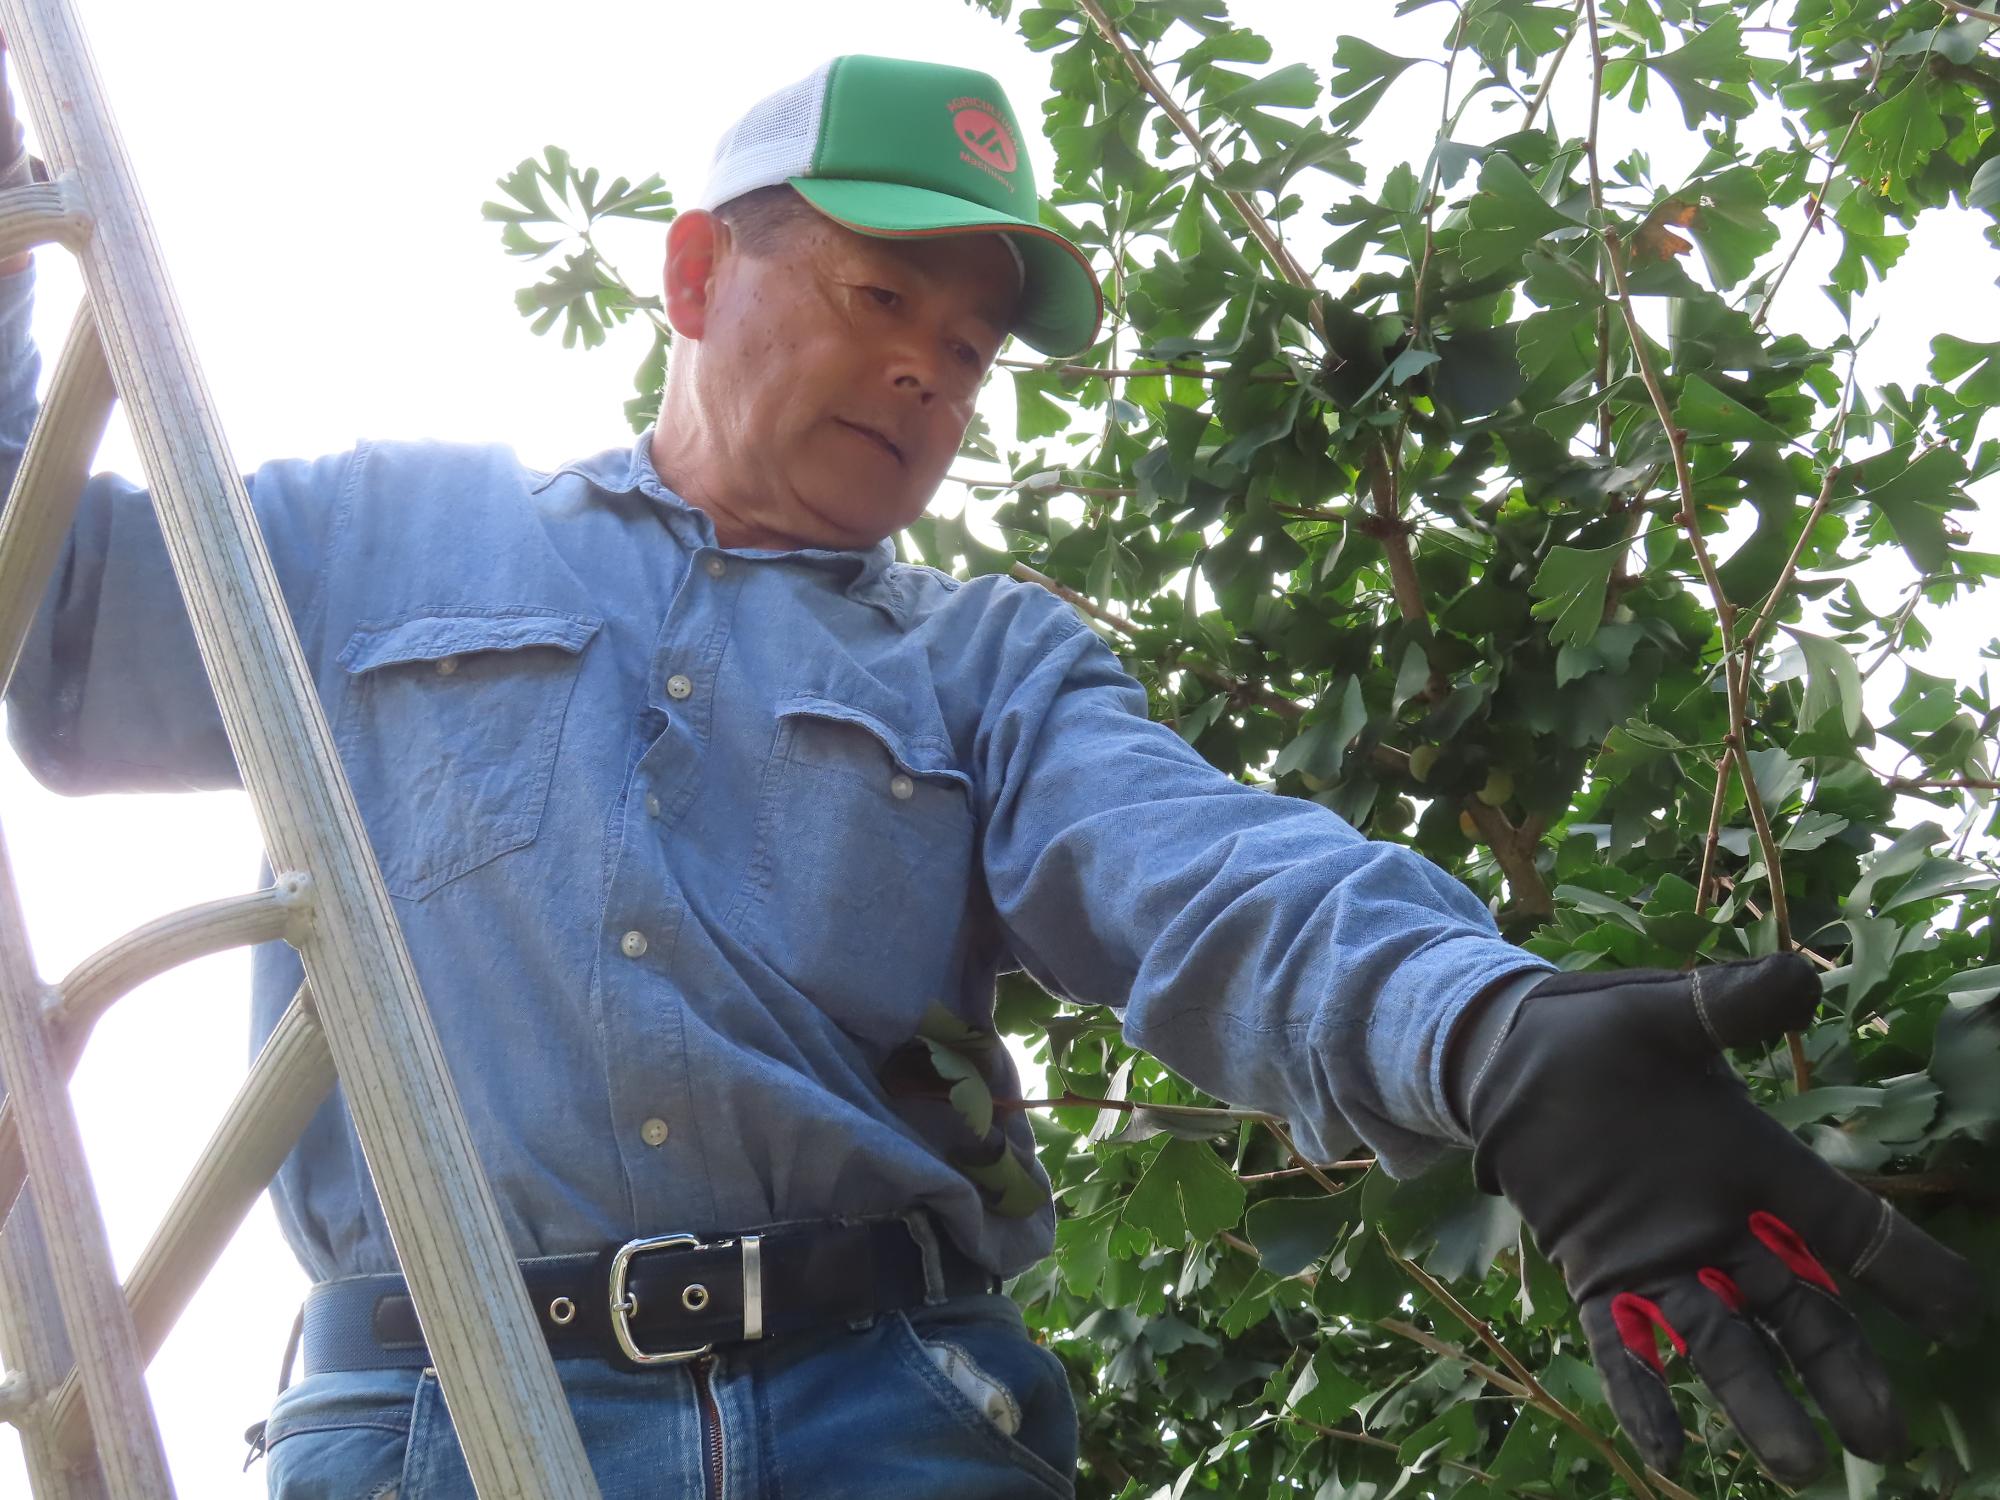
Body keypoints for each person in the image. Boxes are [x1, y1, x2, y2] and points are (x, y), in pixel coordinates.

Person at [0, 47, 1979, 1500]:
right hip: (429, 1420)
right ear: (693, 275)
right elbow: (45, 612)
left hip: (891, 1419)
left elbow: (1199, 873)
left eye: (970, 348)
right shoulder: (373, 542)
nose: (931, 375)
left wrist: (1490, 1032)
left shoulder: (986, 661)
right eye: (883, 301)